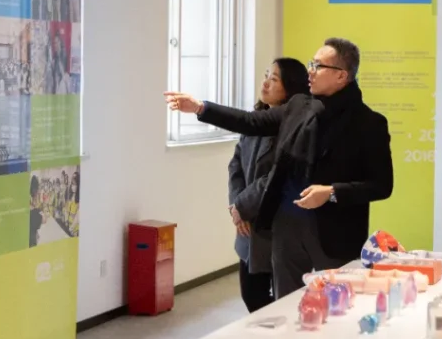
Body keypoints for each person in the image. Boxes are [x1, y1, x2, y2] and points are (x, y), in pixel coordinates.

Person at [166, 38, 393, 298]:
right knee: (286, 303)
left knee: (339, 305)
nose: (310, 72)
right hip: (287, 227)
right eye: (311, 64)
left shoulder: (369, 123)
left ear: (341, 76)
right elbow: (251, 121)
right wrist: (200, 108)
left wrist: (331, 192)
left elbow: (381, 185)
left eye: (318, 66)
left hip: (336, 233)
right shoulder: (299, 106)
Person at [228, 58, 309, 313]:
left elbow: (276, 175)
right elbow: (235, 165)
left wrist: (243, 205)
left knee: (284, 299)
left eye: (274, 79)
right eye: (266, 76)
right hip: (247, 224)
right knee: (251, 295)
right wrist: (236, 205)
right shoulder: (255, 120)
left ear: (290, 88)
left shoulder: (295, 126)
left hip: (276, 223)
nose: (265, 83)